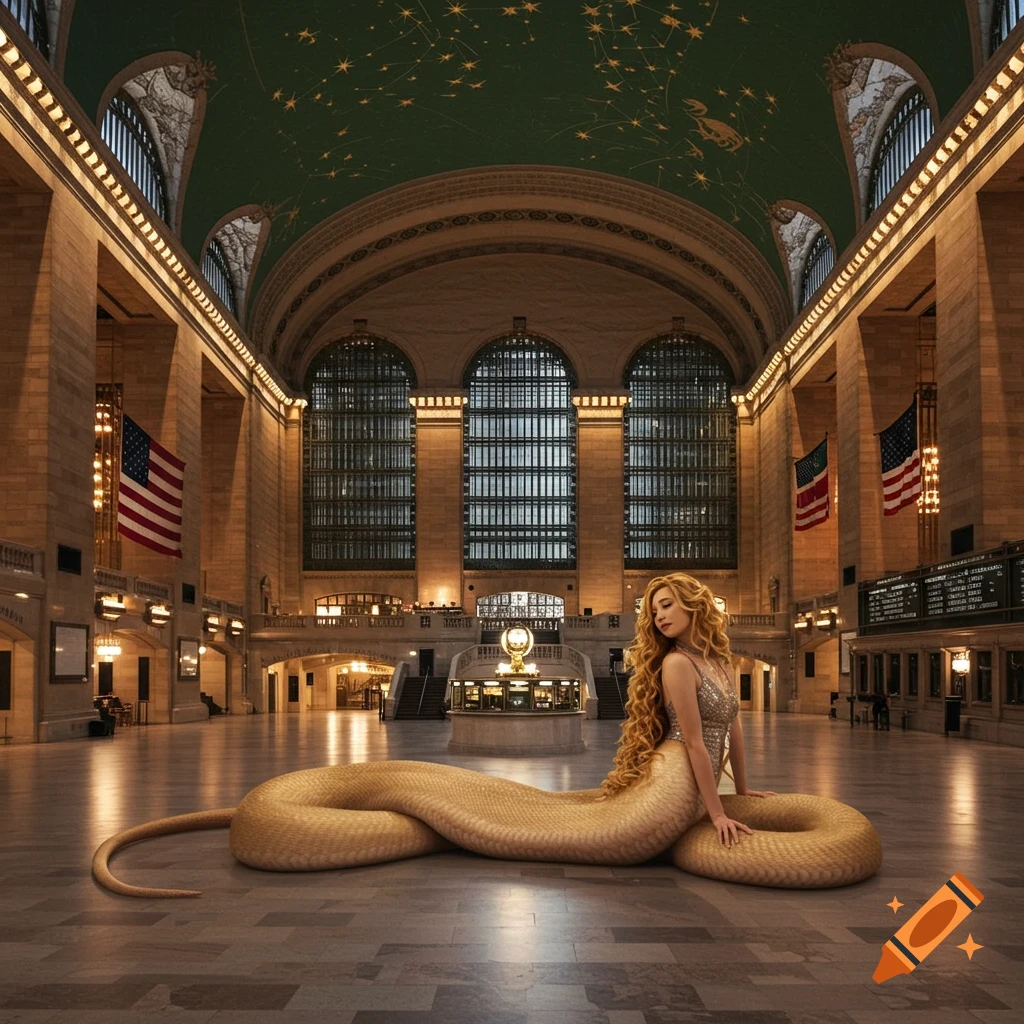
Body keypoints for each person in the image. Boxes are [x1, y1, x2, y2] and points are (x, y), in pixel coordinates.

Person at [602, 573, 775, 848]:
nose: (659, 617)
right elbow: (694, 742)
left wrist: (742, 789)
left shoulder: (719, 661)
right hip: (677, 775)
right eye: (654, 612)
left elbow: (735, 728)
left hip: (699, 776)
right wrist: (718, 815)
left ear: (694, 605)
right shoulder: (677, 663)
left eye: (666, 605)